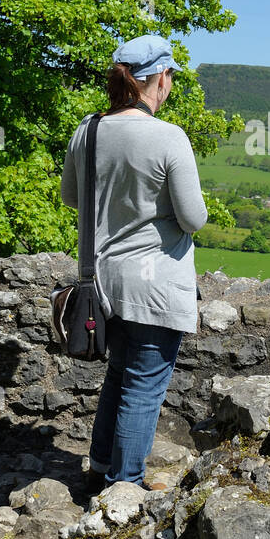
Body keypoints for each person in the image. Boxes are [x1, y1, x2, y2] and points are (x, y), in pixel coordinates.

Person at [59, 34, 208, 494]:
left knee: (119, 376)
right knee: (143, 387)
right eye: (170, 79)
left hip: (104, 285)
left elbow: (70, 197)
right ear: (159, 79)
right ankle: (124, 491)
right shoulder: (168, 137)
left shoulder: (89, 129)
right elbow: (194, 218)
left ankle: (101, 473)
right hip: (155, 285)